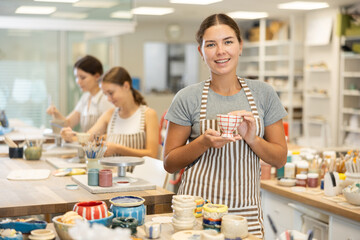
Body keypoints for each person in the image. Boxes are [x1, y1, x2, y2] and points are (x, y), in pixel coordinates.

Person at [163, 13, 287, 238]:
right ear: (201, 52)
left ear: (240, 46)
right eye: (211, 44)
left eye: (228, 42)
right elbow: (169, 163)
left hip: (244, 214)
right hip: (197, 213)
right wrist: (203, 142)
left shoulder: (264, 94)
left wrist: (252, 138)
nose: (221, 51)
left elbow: (279, 159)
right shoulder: (187, 97)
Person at [61, 66, 159, 159]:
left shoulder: (148, 114)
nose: (108, 99)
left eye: (111, 93)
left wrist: (118, 149)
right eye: (105, 94)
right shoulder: (110, 115)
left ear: (126, 86)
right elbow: (88, 138)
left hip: (137, 175)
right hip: (112, 174)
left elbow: (152, 154)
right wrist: (70, 135)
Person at [47, 55, 113, 132]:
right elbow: (68, 123)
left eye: (82, 77)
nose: (78, 81)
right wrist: (56, 113)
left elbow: (110, 132)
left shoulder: (105, 99)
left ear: (97, 76)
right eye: (76, 77)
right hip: (85, 143)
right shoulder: (85, 97)